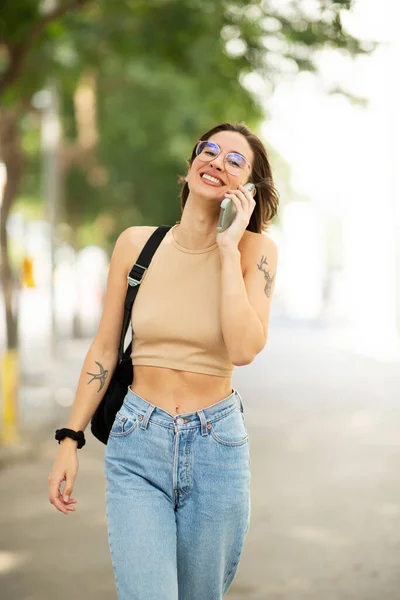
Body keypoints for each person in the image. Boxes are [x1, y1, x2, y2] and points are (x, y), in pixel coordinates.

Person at [48, 121, 279, 599]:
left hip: (216, 448)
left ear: (249, 188)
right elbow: (105, 349)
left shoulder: (255, 253)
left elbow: (243, 349)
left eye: (235, 161)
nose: (217, 161)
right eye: (209, 150)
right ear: (192, 163)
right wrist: (70, 438)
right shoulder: (137, 245)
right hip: (138, 441)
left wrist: (226, 245)